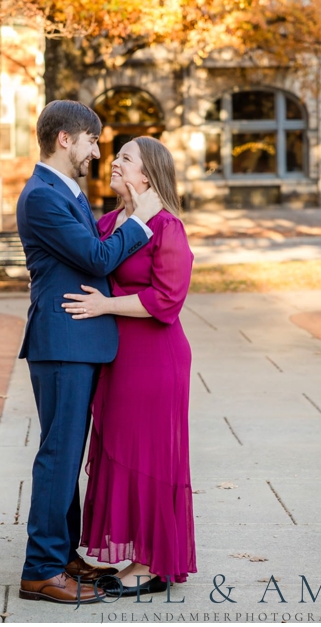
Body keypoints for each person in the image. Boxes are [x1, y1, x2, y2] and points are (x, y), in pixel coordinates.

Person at [14, 100, 162, 605]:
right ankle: (41, 569)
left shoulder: (65, 192)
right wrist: (140, 221)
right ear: (65, 139)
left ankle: (63, 555)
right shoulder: (42, 196)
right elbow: (96, 256)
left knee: (67, 453)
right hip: (63, 340)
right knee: (59, 454)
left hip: (78, 339)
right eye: (92, 141)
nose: (98, 152)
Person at [64, 136, 197, 594]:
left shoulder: (167, 227)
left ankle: (152, 564)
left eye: (125, 158)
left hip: (156, 360)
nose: (113, 163)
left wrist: (106, 306)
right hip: (116, 360)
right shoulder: (108, 222)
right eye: (115, 155)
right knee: (119, 453)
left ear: (148, 174)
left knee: (150, 457)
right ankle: (134, 553)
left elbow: (167, 300)